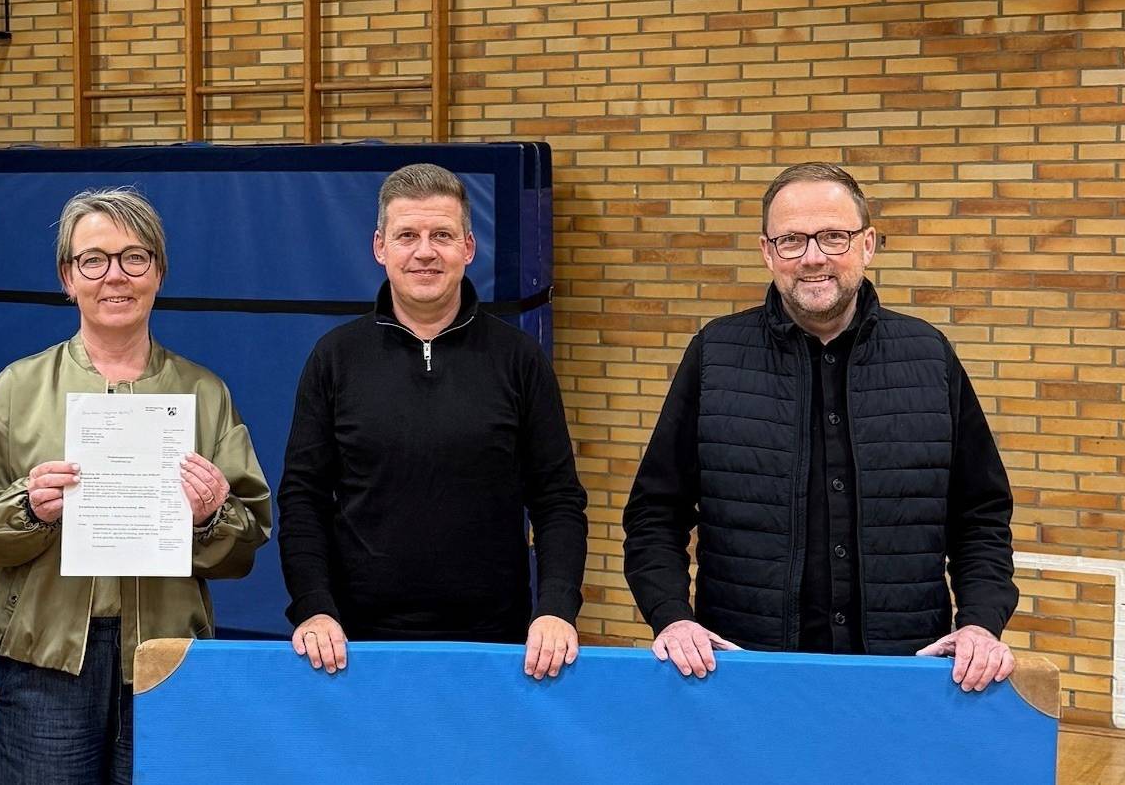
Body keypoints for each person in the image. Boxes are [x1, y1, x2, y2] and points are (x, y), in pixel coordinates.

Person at [623, 162, 1019, 692]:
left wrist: (980, 622)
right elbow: (654, 513)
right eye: (792, 240)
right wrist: (672, 616)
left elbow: (981, 517)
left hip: (905, 675)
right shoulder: (715, 356)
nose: (813, 257)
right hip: (742, 674)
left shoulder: (930, 356)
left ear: (868, 244)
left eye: (833, 236)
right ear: (768, 253)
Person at [0, 188, 272, 785]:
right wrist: (28, 509)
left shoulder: (205, 394)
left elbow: (247, 542)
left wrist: (211, 516)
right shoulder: (18, 388)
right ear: (68, 278)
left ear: (159, 272)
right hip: (45, 663)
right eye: (93, 260)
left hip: (166, 660)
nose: (114, 277)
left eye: (134, 257)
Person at [276, 163, 588, 681]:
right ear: (380, 248)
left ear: (468, 247)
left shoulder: (518, 359)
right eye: (407, 236)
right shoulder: (335, 358)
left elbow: (557, 499)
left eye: (441, 235)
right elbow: (303, 498)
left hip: (496, 643)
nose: (425, 251)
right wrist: (313, 606)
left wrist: (555, 608)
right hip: (354, 647)